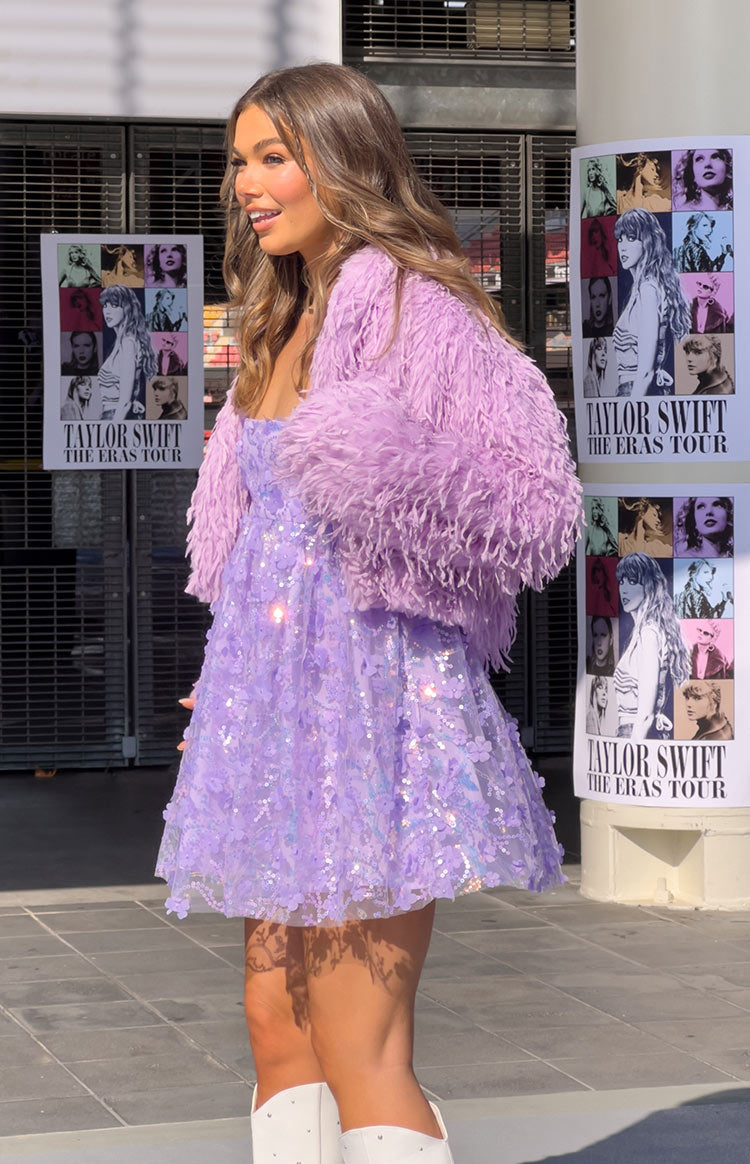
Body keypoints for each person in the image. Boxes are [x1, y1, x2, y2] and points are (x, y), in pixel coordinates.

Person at [154, 63, 582, 1164]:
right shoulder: (282, 315)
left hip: (372, 711)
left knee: (358, 1046)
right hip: (274, 712)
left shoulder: (412, 303)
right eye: (238, 160)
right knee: (275, 1025)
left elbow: (534, 505)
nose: (245, 184)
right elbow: (260, 546)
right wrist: (231, 661)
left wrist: (373, 457)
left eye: (272, 157)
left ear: (342, 160)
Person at [612, 209, 691, 397]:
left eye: (631, 238)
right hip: (638, 390)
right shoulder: (641, 287)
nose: (622, 247)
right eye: (620, 239)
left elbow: (645, 372)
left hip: (636, 393)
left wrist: (632, 413)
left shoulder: (648, 289)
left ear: (647, 242)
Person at [613, 553, 690, 739]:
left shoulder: (649, 633)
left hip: (635, 735)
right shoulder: (643, 631)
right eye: (622, 582)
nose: (624, 589)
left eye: (632, 582)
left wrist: (632, 754)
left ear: (649, 586)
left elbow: (645, 715)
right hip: (635, 732)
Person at [99, 285, 157, 420]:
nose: (107, 311)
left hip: (115, 418)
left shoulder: (127, 343)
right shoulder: (121, 342)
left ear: (126, 308)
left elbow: (124, 402)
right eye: (105, 306)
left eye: (114, 306)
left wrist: (112, 431)